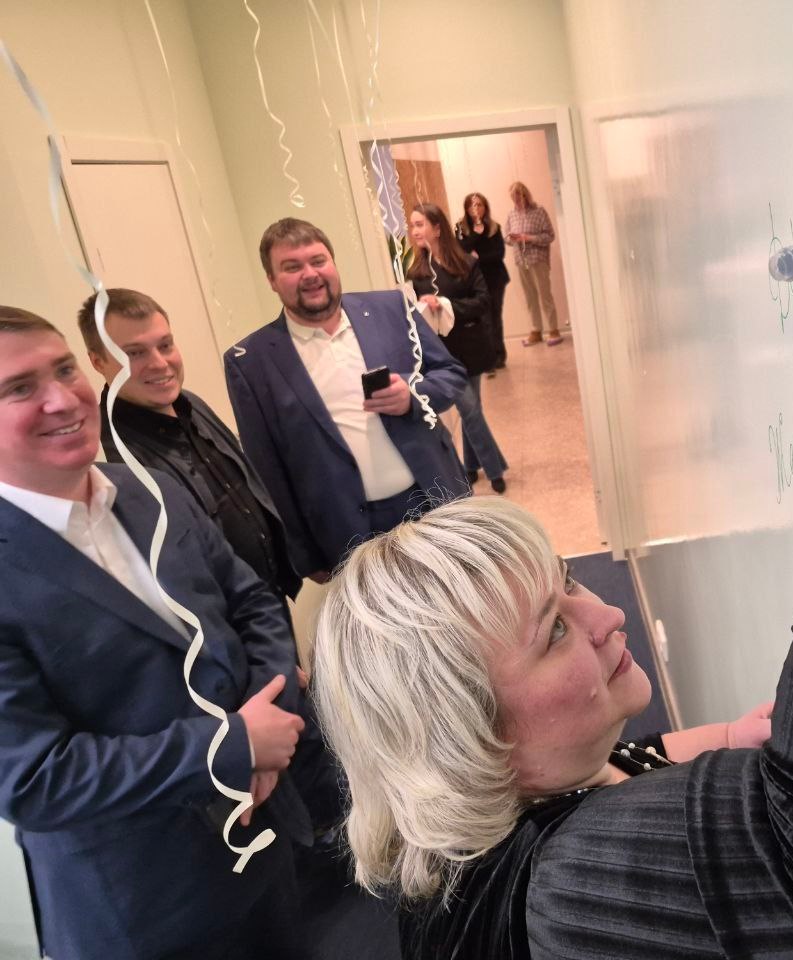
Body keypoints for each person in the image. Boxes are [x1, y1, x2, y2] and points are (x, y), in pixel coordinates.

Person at [310, 168, 793, 958]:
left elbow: (621, 763)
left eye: (569, 583)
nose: (607, 614)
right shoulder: (556, 898)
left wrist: (728, 735)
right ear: (468, 744)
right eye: (553, 632)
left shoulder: (502, 797)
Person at [0, 307, 313, 960]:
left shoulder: (147, 490)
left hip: (261, 843)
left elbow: (251, 602)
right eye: (19, 388)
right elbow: (35, 779)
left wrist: (272, 712)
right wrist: (231, 747)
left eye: (64, 369)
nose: (62, 399)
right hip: (146, 906)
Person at [224, 218, 470, 584]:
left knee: (462, 602)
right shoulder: (250, 361)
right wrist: (303, 553)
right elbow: (267, 467)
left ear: (333, 263)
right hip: (350, 532)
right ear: (272, 280)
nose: (310, 274)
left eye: (318, 260)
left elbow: (451, 374)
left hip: (433, 499)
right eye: (291, 267)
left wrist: (412, 395)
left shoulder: (391, 309)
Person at [77, 288, 301, 606]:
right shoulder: (112, 459)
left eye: (165, 345)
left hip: (268, 599)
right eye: (134, 353)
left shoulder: (192, 404)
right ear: (98, 361)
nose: (159, 363)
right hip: (227, 624)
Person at [409, 202, 510, 495]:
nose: (414, 231)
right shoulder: (417, 271)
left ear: (437, 228)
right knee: (470, 409)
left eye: (420, 224)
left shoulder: (465, 263)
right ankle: (494, 468)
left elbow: (482, 301)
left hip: (471, 348)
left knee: (471, 410)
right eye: (412, 225)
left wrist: (445, 305)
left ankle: (471, 466)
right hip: (442, 356)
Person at [456, 191, 511, 373]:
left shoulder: (494, 227)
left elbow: (499, 254)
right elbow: (462, 253)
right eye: (472, 205)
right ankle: (489, 358)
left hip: (495, 279)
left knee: (495, 317)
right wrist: (476, 235)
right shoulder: (460, 228)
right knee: (483, 319)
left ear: (485, 207)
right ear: (466, 208)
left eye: (479, 204)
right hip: (475, 281)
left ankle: (499, 356)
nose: (476, 209)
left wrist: (478, 257)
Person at [505, 180, 562, 347]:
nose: (516, 200)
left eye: (518, 197)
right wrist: (512, 238)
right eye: (513, 198)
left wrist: (528, 238)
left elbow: (550, 235)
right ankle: (536, 331)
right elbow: (506, 238)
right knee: (530, 297)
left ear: (525, 195)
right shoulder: (511, 215)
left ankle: (553, 330)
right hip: (521, 261)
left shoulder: (539, 211)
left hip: (538, 259)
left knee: (545, 295)